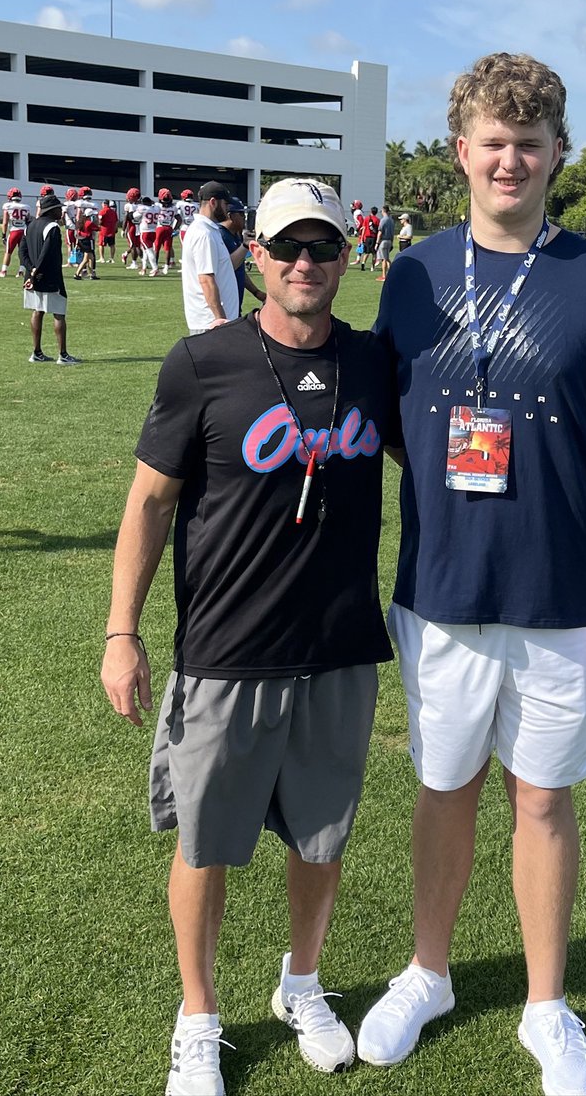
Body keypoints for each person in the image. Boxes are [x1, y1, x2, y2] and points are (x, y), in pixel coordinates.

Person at [357, 52, 586, 1096]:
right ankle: (430, 972)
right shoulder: (411, 275)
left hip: (565, 601)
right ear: (460, 152)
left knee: (541, 801)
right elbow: (395, 422)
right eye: (492, 142)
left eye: (529, 144)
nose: (510, 160)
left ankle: (548, 1006)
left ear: (557, 156)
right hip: (442, 591)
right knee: (442, 785)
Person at [100, 176, 398, 1096]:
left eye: (325, 248)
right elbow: (151, 501)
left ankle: (300, 986)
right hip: (227, 648)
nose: (307, 263)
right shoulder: (204, 363)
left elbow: (438, 460)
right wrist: (123, 632)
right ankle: (198, 1017)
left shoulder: (376, 362)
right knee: (206, 842)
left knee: (321, 840)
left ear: (347, 258)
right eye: (289, 248)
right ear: (255, 256)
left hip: (340, 646)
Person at [22, 193, 80, 365]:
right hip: (49, 277)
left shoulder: (30, 225)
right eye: (58, 209)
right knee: (59, 314)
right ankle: (63, 355)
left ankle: (37, 352)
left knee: (37, 311)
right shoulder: (52, 227)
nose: (61, 212)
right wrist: (36, 272)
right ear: (51, 210)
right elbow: (46, 254)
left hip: (32, 277)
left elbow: (22, 252)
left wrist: (31, 271)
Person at [180, 181, 239, 333]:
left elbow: (225, 268)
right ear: (213, 202)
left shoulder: (209, 230)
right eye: (225, 204)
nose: (227, 209)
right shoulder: (203, 234)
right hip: (210, 322)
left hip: (212, 321)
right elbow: (206, 280)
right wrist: (220, 319)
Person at [218, 195, 264, 312]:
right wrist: (245, 245)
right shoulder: (220, 236)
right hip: (224, 305)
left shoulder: (235, 235)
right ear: (230, 216)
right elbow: (227, 268)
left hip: (235, 304)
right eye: (241, 214)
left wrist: (256, 292)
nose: (245, 218)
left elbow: (239, 268)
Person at [0, 187, 31, 278]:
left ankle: (3, 271)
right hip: (24, 231)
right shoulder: (26, 207)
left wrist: (3, 235)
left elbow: (5, 222)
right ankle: (21, 271)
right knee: (22, 252)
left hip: (14, 231)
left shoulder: (7, 206)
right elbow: (28, 220)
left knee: (8, 252)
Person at [375, 205, 395, 280]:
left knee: (384, 259)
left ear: (383, 211)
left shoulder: (383, 220)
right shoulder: (391, 220)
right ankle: (391, 272)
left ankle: (384, 275)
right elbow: (392, 233)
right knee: (387, 258)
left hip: (383, 241)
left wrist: (377, 243)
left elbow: (380, 232)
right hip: (390, 240)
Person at [358, 205, 379, 271]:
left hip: (367, 237)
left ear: (371, 211)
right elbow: (378, 230)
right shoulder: (377, 220)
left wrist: (362, 238)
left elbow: (364, 228)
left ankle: (363, 263)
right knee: (374, 253)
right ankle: (372, 267)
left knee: (366, 252)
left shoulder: (367, 218)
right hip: (373, 238)